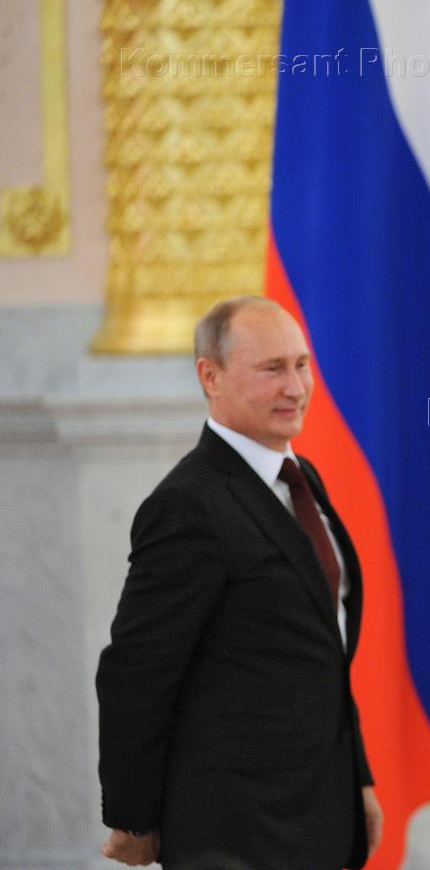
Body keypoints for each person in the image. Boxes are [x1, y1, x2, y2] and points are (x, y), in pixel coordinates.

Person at [95, 296, 383, 869]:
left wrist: (359, 780)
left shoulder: (303, 480)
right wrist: (134, 815)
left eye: (301, 365)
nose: (296, 387)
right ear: (211, 376)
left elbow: (317, 651)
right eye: (272, 369)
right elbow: (136, 671)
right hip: (232, 831)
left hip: (318, 813)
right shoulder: (187, 505)